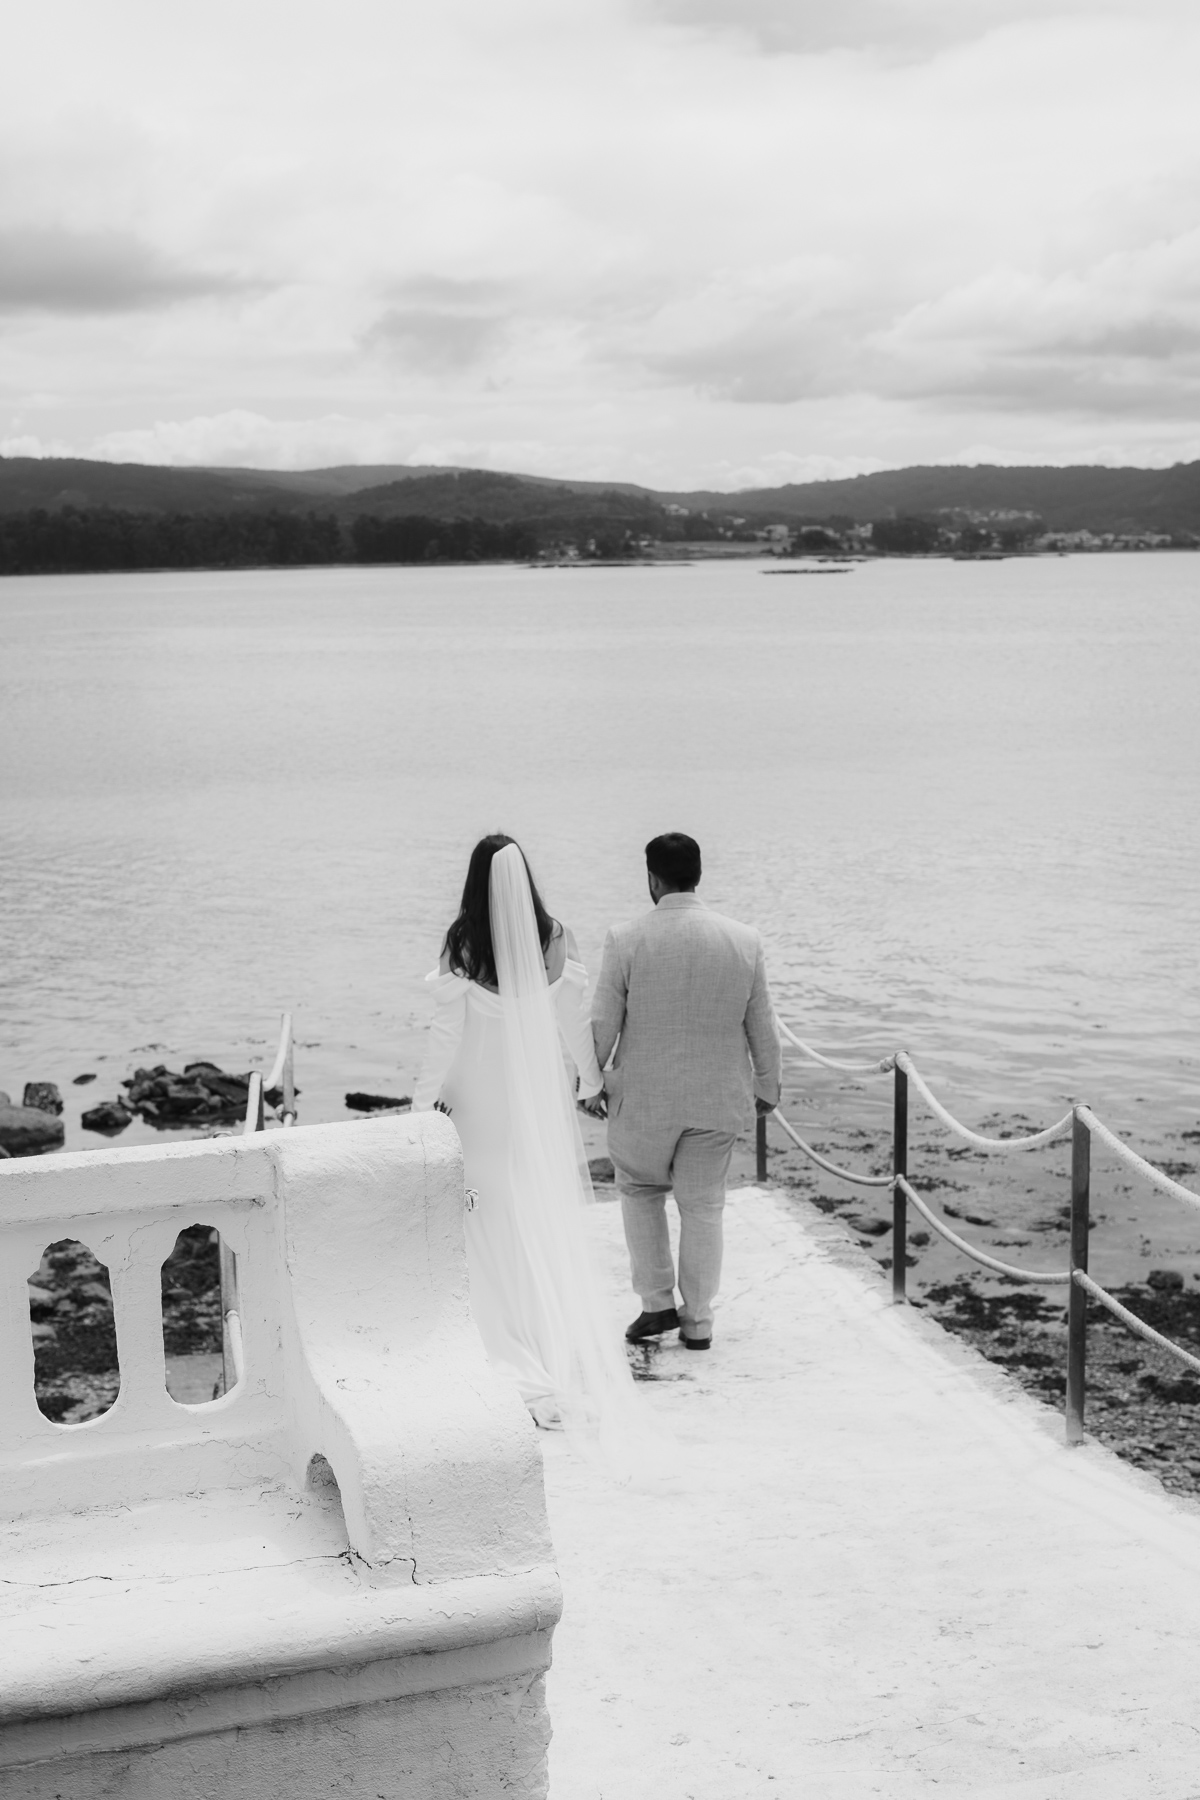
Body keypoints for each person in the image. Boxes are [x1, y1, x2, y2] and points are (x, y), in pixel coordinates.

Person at [412, 834, 637, 1441]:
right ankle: (541, 1342)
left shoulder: (462, 941)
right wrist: (590, 1082)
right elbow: (573, 1024)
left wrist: (415, 1109)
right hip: (529, 1106)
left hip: (474, 1107)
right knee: (532, 1215)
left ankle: (503, 1347)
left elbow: (443, 1034)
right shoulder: (555, 938)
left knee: (484, 1221)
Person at [591, 832, 782, 1351]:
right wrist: (767, 1085)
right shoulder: (744, 939)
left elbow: (603, 1022)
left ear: (652, 878)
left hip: (643, 1101)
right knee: (704, 1209)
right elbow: (761, 1023)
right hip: (716, 1099)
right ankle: (698, 1321)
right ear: (699, 875)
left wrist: (587, 1086)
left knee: (639, 1190)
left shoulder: (626, 938)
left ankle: (656, 1305)